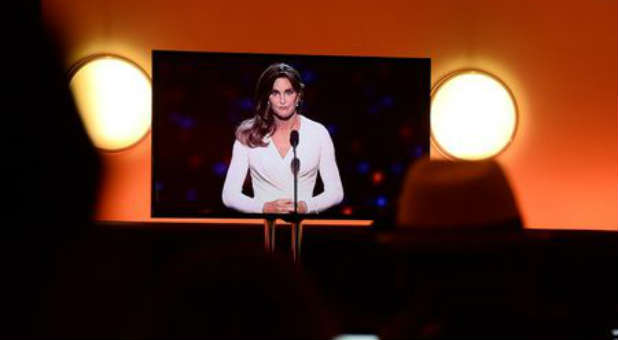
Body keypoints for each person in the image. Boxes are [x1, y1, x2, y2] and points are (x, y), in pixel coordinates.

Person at [222, 63, 343, 214]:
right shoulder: (249, 134)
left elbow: (336, 192)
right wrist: (264, 207)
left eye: (288, 92)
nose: (282, 100)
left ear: (298, 96)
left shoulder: (318, 133)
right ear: (267, 97)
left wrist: (306, 206)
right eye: (275, 93)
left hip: (303, 231)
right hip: (264, 230)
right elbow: (229, 195)